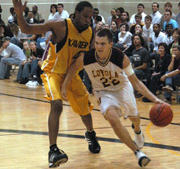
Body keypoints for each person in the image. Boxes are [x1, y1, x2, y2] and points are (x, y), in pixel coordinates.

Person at [13, 0, 100, 168]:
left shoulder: (90, 34)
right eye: (85, 16)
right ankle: (53, 150)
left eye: (91, 17)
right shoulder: (60, 26)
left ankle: (90, 134)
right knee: (57, 105)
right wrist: (19, 14)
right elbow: (28, 28)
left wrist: (98, 85)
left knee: (85, 111)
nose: (88, 20)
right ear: (75, 14)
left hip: (73, 74)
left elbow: (83, 62)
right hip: (53, 72)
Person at [61, 29, 165, 167]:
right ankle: (137, 152)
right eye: (97, 43)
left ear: (111, 44)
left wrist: (155, 99)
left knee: (135, 117)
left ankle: (138, 130)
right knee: (112, 118)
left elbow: (137, 83)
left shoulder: (120, 57)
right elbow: (73, 68)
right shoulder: (87, 57)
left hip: (122, 89)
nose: (98, 47)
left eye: (103, 44)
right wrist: (64, 85)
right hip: (103, 92)